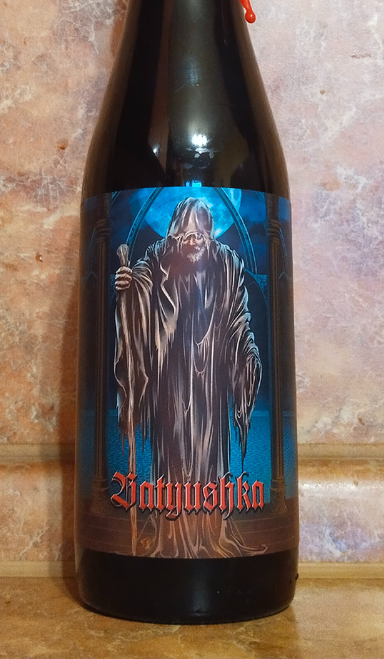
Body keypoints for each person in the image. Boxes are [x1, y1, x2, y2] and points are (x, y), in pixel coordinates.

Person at [114, 196, 262, 556]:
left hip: (211, 385)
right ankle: (171, 534)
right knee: (174, 454)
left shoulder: (226, 263)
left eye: (201, 231)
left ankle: (210, 531)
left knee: (210, 455)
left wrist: (248, 356)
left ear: (211, 232)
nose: (194, 239)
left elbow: (239, 319)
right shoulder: (157, 257)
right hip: (171, 380)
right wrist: (128, 287)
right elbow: (139, 291)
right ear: (174, 231)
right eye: (186, 231)